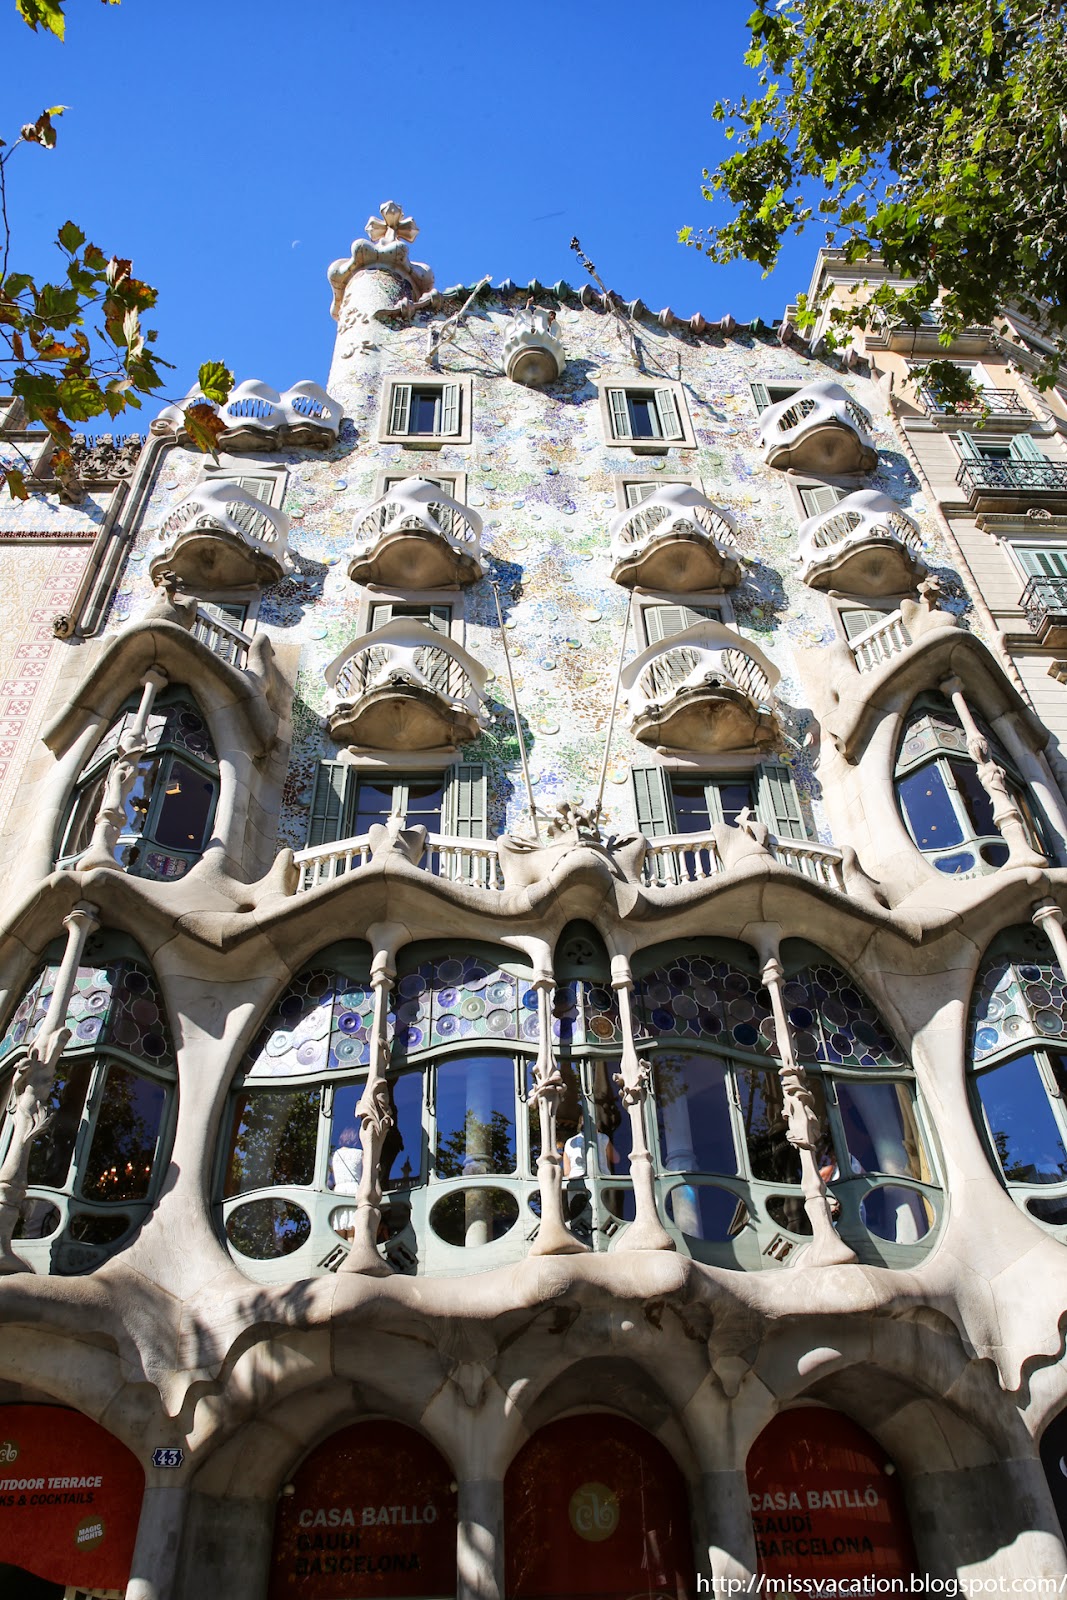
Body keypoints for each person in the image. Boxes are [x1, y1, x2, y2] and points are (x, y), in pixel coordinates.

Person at [330, 1126, 363, 1240]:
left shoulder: (334, 1155)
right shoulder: (360, 1154)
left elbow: (329, 1179)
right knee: (353, 1233)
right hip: (355, 1190)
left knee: (339, 1228)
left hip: (338, 1191)